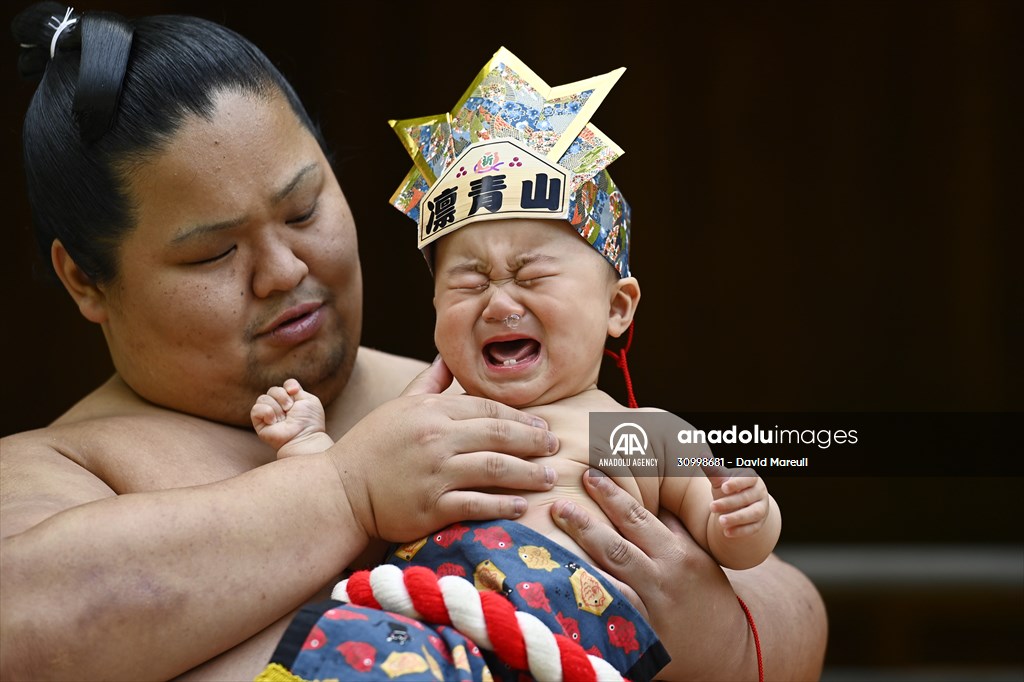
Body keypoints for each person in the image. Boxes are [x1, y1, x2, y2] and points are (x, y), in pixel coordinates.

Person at [0, 4, 826, 681]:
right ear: (85, 279)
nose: (285, 270)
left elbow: (789, 600)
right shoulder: (55, 467)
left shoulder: (484, 396)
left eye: (304, 209)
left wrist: (719, 636)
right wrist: (342, 493)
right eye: (213, 253)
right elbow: (24, 625)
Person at [247, 48, 781, 681]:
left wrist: (744, 514)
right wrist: (311, 448)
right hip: (409, 631)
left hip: (561, 643)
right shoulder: (425, 419)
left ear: (617, 307)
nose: (500, 304)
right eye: (470, 283)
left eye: (532, 277)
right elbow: (353, 524)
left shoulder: (633, 432)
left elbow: (732, 543)